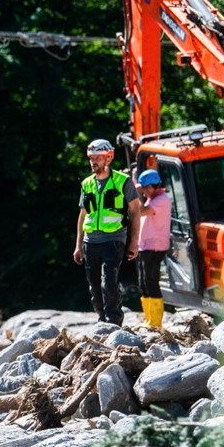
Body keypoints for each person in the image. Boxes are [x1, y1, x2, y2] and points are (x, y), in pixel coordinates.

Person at [73, 138, 141, 325]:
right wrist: (78, 245)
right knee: (94, 288)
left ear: (109, 158)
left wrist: (134, 242)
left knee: (109, 283)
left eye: (98, 158)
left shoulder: (123, 181)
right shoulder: (87, 184)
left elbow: (136, 212)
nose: (93, 162)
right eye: (91, 158)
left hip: (114, 240)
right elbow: (83, 215)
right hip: (90, 242)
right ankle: (102, 320)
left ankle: (113, 321)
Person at [135, 168, 171, 328]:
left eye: (144, 189)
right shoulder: (153, 198)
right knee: (143, 282)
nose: (143, 193)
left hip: (155, 247)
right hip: (146, 246)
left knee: (151, 281)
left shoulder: (161, 200)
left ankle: (156, 323)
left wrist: (135, 194)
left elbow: (141, 212)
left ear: (151, 187)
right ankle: (149, 320)